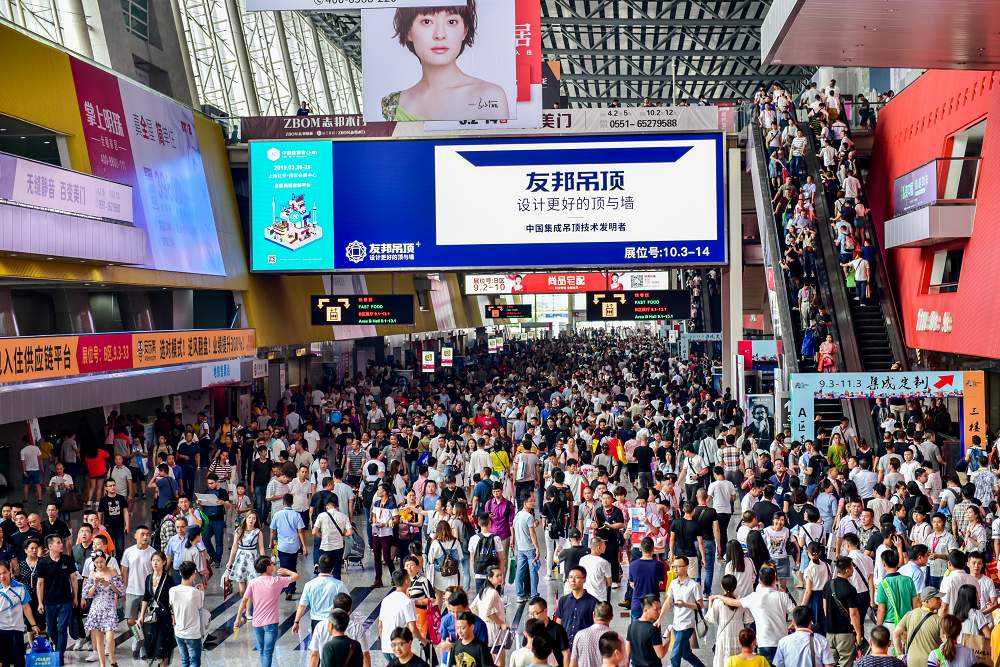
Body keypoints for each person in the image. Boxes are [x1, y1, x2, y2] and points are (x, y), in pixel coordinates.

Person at [380, 3, 510, 122]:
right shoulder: (393, 104)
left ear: (465, 30)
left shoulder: (489, 96)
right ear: (408, 31)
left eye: (451, 22)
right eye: (427, 21)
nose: (440, 35)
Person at [710, 566, 794, 664]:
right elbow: (796, 612)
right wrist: (792, 625)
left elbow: (733, 602)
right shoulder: (782, 596)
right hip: (782, 641)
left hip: (765, 642)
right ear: (775, 579)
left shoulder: (754, 597)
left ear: (759, 580)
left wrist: (718, 596)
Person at [234, 556, 300, 667]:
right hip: (271, 623)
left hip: (257, 623)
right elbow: (296, 576)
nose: (273, 565)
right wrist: (286, 571)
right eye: (271, 564)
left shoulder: (253, 582)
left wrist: (237, 619)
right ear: (267, 567)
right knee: (268, 652)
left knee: (262, 650)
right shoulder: (276, 581)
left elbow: (244, 601)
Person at [36, 534, 78, 661]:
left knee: (62, 628)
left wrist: (75, 597)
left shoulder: (67, 559)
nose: (61, 544)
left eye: (61, 542)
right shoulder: (43, 562)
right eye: (58, 542)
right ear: (50, 546)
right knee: (52, 630)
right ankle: (57, 647)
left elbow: (73, 579)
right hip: (49, 602)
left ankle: (59, 656)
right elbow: (40, 583)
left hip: (66, 600)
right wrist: (40, 602)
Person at [82, 551, 125, 667]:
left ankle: (113, 660)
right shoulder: (92, 574)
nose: (99, 564)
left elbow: (121, 591)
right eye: (97, 562)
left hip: (109, 607)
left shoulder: (112, 571)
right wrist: (95, 585)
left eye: (101, 561)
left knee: (110, 638)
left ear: (105, 560)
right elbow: (87, 594)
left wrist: (110, 585)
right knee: (99, 639)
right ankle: (102, 664)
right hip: (96, 608)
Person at [661, 556, 705, 667]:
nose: (675, 569)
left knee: (674, 656)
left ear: (686, 567)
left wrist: (685, 604)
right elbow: (668, 602)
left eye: (678, 566)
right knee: (686, 654)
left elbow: (700, 605)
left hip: (687, 625)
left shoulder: (694, 585)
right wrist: (659, 619)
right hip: (676, 623)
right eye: (674, 566)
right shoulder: (673, 583)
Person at [137, 551, 175, 667]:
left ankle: (164, 664)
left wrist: (174, 617)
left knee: (164, 645)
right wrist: (141, 615)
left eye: (158, 560)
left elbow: (172, 600)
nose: (155, 563)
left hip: (164, 616)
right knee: (151, 643)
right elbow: (145, 597)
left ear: (164, 562)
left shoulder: (168, 579)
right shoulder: (148, 578)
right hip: (151, 616)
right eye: (153, 560)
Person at [121, 525, 153, 659]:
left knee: (146, 620)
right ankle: (138, 637)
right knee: (130, 620)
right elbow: (124, 571)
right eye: (142, 534)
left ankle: (143, 646)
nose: (145, 537)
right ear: (135, 536)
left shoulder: (153, 553)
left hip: (147, 593)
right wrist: (123, 589)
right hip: (132, 591)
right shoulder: (128, 552)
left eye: (147, 534)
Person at [293, 554, 347, 635]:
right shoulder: (339, 585)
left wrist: (296, 622)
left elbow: (302, 606)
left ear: (318, 568)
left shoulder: (309, 585)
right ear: (333, 568)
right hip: (333, 622)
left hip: (316, 623)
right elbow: (347, 603)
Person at [892, 586, 944, 667]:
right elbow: (945, 642)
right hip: (931, 663)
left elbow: (896, 634)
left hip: (911, 662)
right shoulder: (939, 620)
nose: (940, 601)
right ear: (927, 600)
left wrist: (900, 654)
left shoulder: (910, 614)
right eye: (937, 598)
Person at [378, 570, 423, 663]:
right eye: (409, 578)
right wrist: (423, 640)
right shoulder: (407, 602)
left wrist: (385, 644)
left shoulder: (386, 600)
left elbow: (380, 626)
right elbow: (413, 629)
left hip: (386, 648)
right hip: (399, 649)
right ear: (406, 581)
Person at [707, 574, 752, 667]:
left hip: (724, 634)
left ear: (722, 586)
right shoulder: (740, 601)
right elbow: (748, 619)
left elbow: (711, 618)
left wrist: (710, 603)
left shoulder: (718, 601)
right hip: (738, 633)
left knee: (723, 660)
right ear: (735, 586)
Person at [269, 493, 306, 600]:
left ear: (283, 502)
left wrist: (271, 542)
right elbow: (301, 532)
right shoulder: (297, 515)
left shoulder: (277, 515)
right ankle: (292, 588)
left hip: (282, 547)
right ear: (292, 502)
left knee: (284, 568)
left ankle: (287, 589)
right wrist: (304, 546)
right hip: (294, 546)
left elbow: (272, 531)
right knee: (292, 567)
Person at [554, 566, 599, 646]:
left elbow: (597, 627)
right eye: (570, 577)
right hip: (566, 646)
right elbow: (558, 624)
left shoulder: (593, 602)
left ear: (584, 579)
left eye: (577, 577)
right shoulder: (563, 600)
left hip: (584, 646)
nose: (573, 580)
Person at [313, 495, 353, 580]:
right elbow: (350, 532)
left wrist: (321, 536)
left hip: (325, 547)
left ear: (327, 505)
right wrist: (343, 534)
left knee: (324, 571)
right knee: (337, 571)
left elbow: (314, 532)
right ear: (336, 506)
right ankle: (337, 586)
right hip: (338, 547)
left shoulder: (321, 516)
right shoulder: (343, 516)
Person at [513, 493, 542, 603]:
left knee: (519, 572)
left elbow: (514, 529)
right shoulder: (529, 517)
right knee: (533, 572)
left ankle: (520, 595)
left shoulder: (517, 515)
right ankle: (534, 594)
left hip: (520, 548)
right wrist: (537, 548)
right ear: (525, 503)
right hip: (530, 548)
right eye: (531, 501)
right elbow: (532, 535)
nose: (533, 503)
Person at [628, 595, 666, 667]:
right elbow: (661, 654)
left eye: (660, 608)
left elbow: (628, 651)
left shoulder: (631, 626)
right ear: (645, 610)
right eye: (656, 609)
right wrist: (668, 641)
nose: (659, 612)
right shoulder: (653, 630)